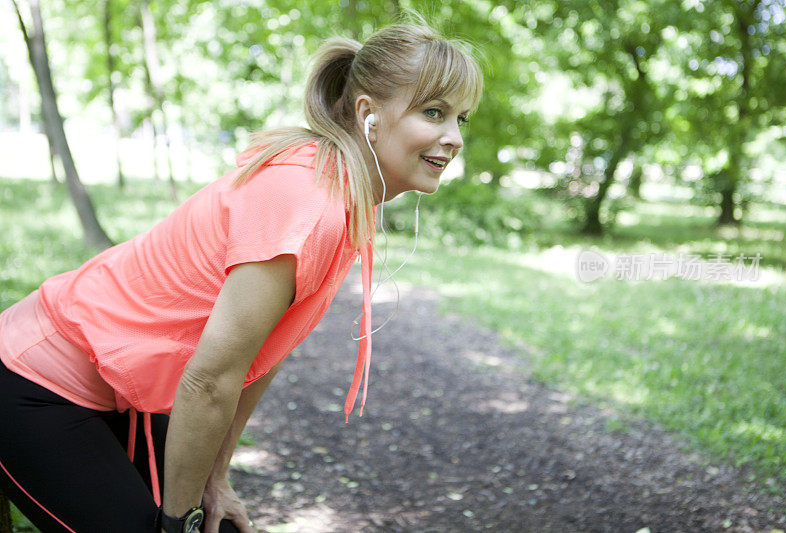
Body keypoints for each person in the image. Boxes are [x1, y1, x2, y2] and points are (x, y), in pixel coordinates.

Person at [0, 15, 483, 533]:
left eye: (461, 118)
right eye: (434, 112)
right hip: (36, 380)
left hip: (120, 386)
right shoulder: (308, 202)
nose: (453, 138)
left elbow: (261, 354)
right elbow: (209, 380)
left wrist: (216, 478)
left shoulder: (340, 194)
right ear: (368, 114)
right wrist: (176, 521)